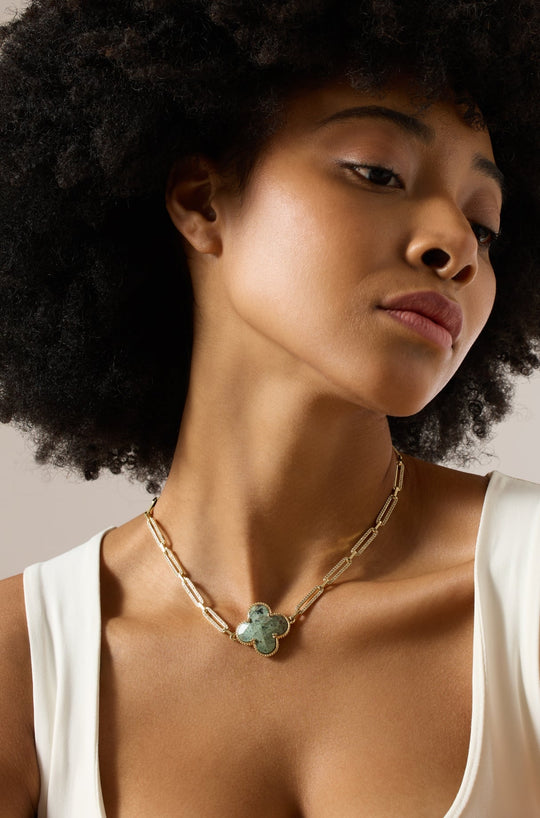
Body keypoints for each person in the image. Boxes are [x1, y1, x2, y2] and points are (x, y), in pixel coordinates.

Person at [1, 0, 539, 815]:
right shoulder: (22, 664)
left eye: (484, 224)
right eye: (377, 172)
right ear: (202, 201)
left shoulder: (525, 590)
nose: (457, 246)